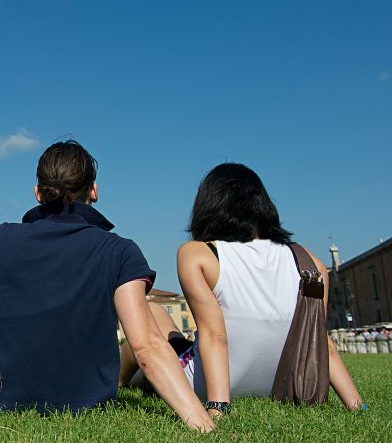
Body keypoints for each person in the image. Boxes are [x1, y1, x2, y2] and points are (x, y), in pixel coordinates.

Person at [0, 140, 213, 432]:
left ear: (37, 193)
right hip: (84, 400)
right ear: (93, 190)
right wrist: (202, 423)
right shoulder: (120, 252)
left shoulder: (1, 239)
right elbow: (146, 345)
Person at [119, 163, 364, 414]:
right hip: (283, 382)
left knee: (150, 318)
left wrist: (217, 406)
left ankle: (120, 381)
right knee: (166, 325)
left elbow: (216, 336)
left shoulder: (199, 254)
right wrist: (357, 406)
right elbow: (320, 342)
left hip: (205, 383)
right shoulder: (310, 262)